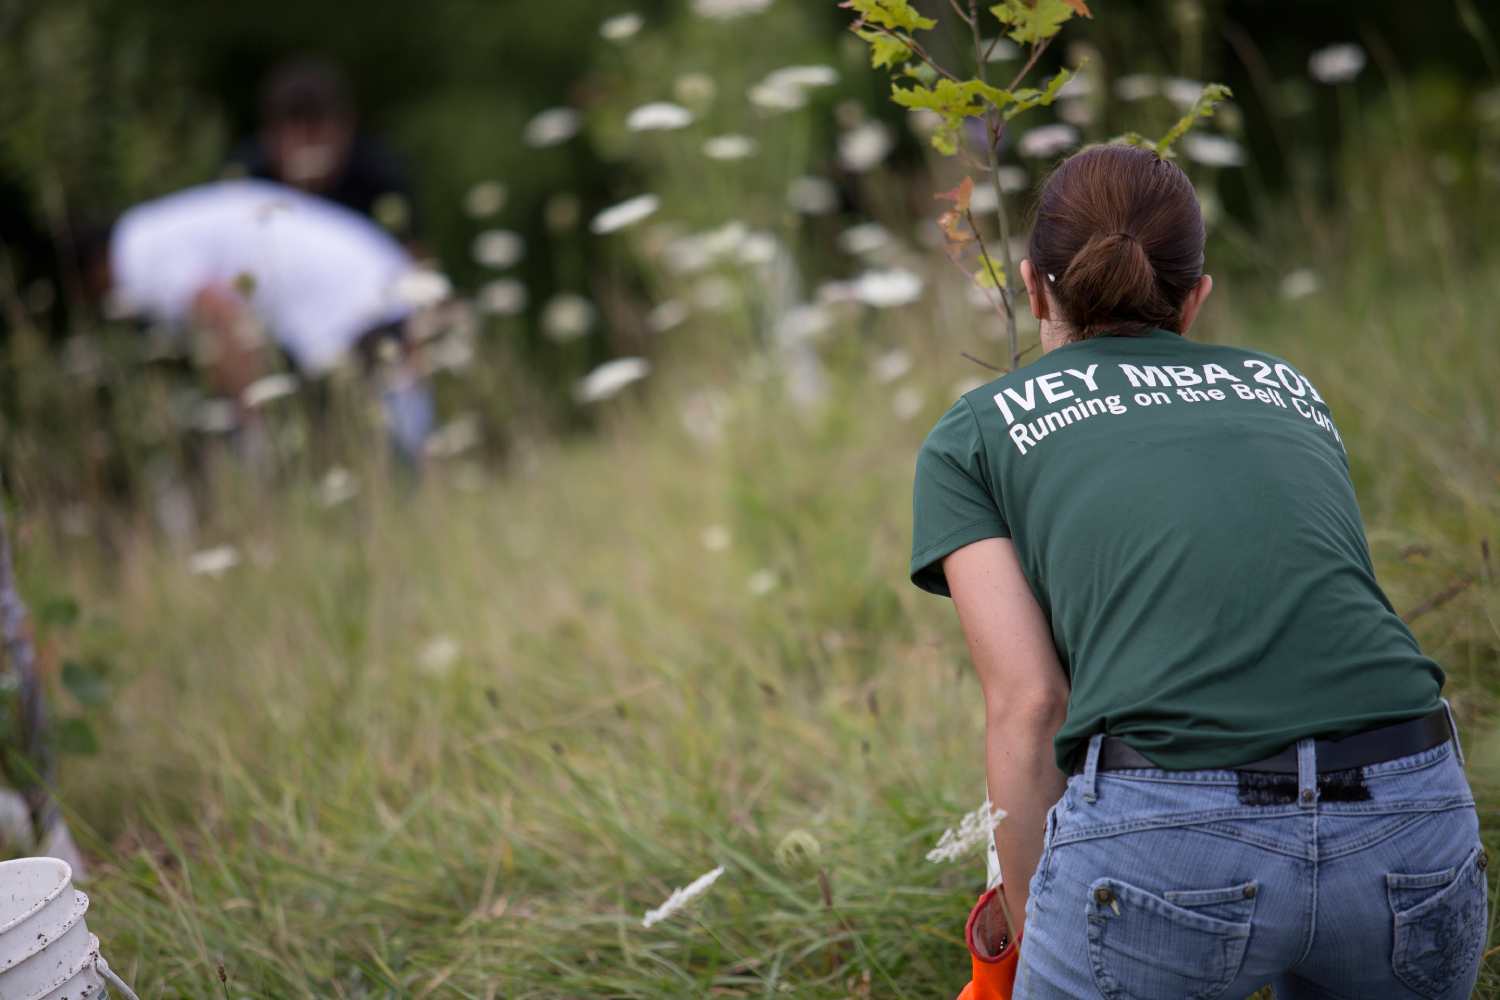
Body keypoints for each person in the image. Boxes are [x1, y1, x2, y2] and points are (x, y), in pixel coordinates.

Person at [911, 144, 1484, 998]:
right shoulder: (1285, 387)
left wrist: (1031, 924)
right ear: (1195, 298)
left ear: (1033, 287)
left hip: (1166, 827)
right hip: (1413, 805)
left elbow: (1032, 706)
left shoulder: (974, 433)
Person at [103, 177, 435, 461]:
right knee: (391, 450)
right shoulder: (152, 228)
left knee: (390, 459)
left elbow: (223, 317)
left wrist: (252, 426)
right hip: (377, 276)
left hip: (355, 308)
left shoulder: (136, 256)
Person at [226, 56, 418, 241]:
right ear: (269, 137)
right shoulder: (246, 179)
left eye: (316, 131)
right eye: (294, 132)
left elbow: (413, 258)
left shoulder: (379, 177)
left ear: (347, 129)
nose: (306, 145)